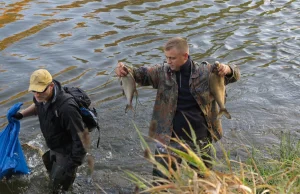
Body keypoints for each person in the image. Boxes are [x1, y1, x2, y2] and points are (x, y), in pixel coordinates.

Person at [115, 37, 240, 181]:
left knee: (203, 182)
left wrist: (228, 69)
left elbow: (235, 74)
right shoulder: (162, 72)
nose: (168, 61)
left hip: (200, 139)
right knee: (160, 183)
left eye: (172, 58)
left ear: (185, 56)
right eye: (167, 57)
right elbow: (139, 74)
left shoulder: (206, 71)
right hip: (169, 138)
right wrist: (124, 69)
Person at [10, 69, 88, 193]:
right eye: (34, 90)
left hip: (67, 153)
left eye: (40, 90)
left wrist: (72, 165)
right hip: (54, 147)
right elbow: (37, 106)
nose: (37, 94)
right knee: (50, 176)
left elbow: (83, 139)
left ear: (51, 86)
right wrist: (21, 114)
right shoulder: (41, 97)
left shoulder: (67, 108)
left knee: (57, 188)